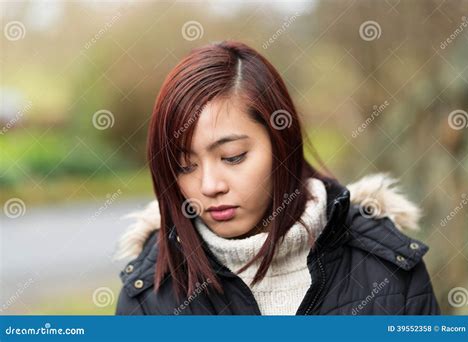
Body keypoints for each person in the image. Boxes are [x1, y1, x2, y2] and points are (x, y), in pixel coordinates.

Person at [114, 41, 440, 315]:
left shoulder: (390, 268)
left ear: (281, 143)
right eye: (185, 166)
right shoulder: (148, 300)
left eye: (233, 157)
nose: (210, 186)